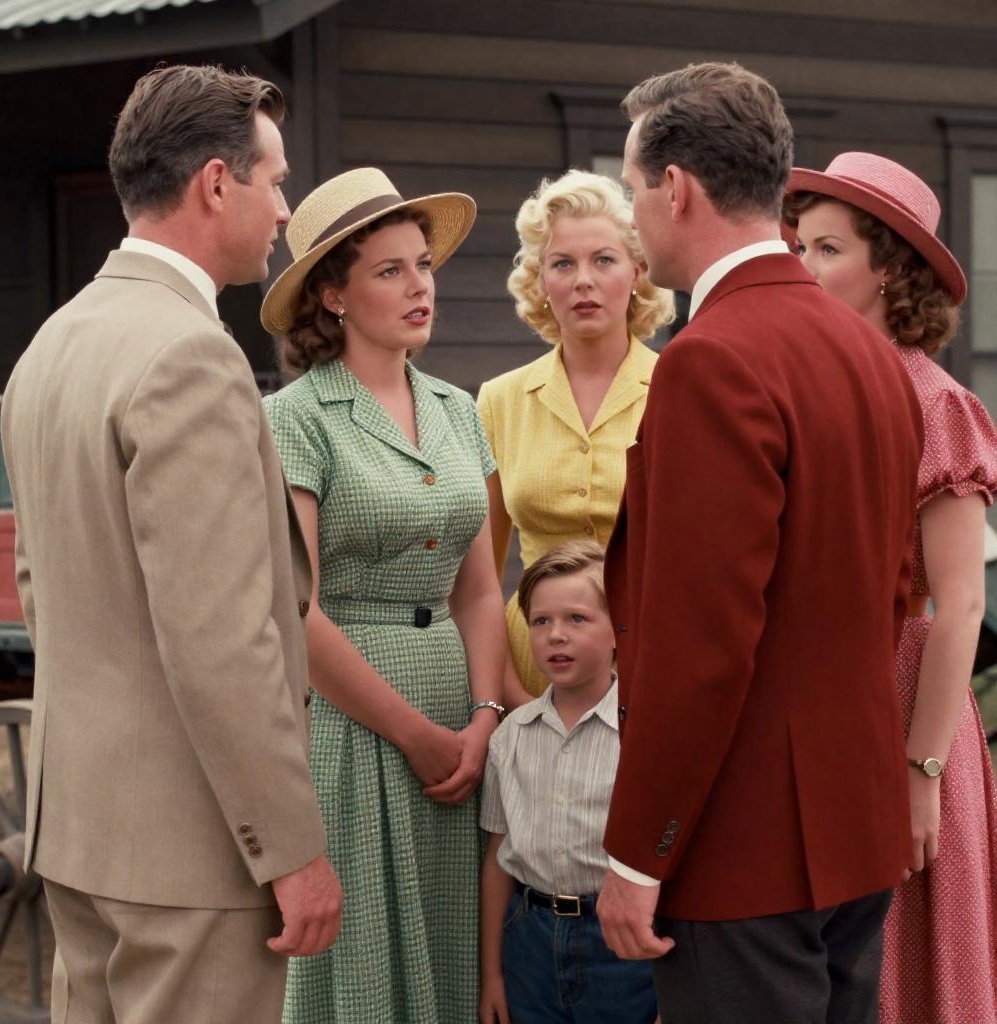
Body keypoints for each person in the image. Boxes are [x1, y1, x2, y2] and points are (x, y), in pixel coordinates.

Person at [0, 65, 341, 1023]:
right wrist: (290, 851)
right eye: (276, 181)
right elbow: (222, 638)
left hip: (78, 829)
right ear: (216, 184)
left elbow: (40, 587)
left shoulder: (52, 343)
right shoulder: (191, 354)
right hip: (193, 852)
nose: (284, 211)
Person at [594, 62, 925, 1024]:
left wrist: (640, 853)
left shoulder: (711, 359)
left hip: (741, 847)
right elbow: (896, 591)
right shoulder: (871, 353)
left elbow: (700, 642)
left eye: (631, 189)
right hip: (854, 830)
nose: (631, 215)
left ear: (676, 187)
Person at [260, 167, 507, 1023]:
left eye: (423, 266)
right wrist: (414, 734)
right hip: (354, 721)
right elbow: (297, 609)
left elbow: (481, 589)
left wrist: (483, 716)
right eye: (390, 271)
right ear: (333, 296)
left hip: (459, 719)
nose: (418, 287)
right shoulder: (297, 417)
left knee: (455, 948)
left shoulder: (458, 409)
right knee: (365, 961)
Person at [784, 151, 997, 1024]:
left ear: (890, 270)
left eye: (828, 249)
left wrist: (921, 772)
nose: (803, 266)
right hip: (814, 700)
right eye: (799, 246)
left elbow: (961, 604)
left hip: (910, 706)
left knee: (901, 958)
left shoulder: (936, 403)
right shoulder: (803, 384)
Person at [478, 170, 675, 705]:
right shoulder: (499, 399)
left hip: (654, 664)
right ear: (541, 280)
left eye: (603, 260)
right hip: (531, 668)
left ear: (637, 272)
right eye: (563, 263)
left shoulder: (678, 389)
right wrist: (507, 692)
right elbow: (479, 579)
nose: (583, 280)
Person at [479, 541, 658, 1024]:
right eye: (541, 621)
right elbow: (497, 857)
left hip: (621, 942)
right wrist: (492, 975)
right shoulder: (510, 737)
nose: (556, 635)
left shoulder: (644, 736)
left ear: (619, 629)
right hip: (529, 941)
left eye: (577, 619)